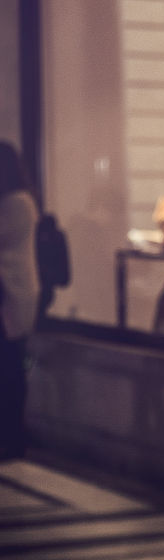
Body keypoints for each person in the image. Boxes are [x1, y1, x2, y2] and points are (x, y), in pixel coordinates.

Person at [0, 141, 40, 459]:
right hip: (9, 294)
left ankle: (13, 436)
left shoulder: (17, 202)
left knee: (10, 367)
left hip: (11, 294)